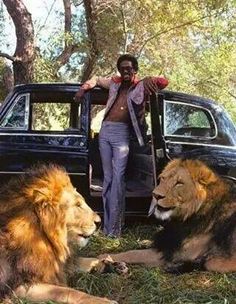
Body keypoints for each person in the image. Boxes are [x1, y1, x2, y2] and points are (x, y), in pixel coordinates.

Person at [74, 54, 168, 238]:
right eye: (123, 68)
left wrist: (150, 79)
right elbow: (95, 79)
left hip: (122, 134)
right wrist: (82, 89)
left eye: (129, 68)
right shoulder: (114, 84)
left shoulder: (141, 85)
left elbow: (164, 82)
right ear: (120, 70)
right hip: (105, 131)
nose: (126, 71)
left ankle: (114, 230)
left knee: (118, 179)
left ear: (135, 70)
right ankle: (106, 226)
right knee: (108, 180)